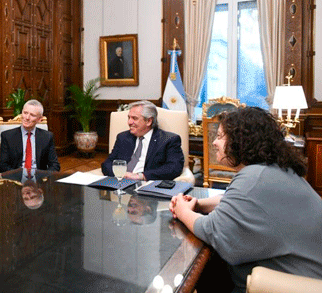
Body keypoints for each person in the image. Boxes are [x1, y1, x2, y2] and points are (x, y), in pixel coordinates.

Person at [169, 107, 322, 293]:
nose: (214, 142)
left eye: (220, 136)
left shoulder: (253, 178)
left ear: (240, 141)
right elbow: (242, 200)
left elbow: (213, 231)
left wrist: (182, 210)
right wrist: (199, 204)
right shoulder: (271, 170)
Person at [101, 100, 184, 181]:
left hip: (147, 185)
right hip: (120, 182)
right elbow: (107, 163)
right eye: (129, 117)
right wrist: (121, 175)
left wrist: (142, 176)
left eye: (134, 118)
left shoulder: (169, 140)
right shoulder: (123, 137)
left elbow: (174, 168)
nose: (129, 122)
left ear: (149, 121)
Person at [0, 99, 60, 172]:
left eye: (32, 115)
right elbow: (3, 166)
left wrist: (43, 178)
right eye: (25, 113)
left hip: (39, 179)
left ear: (39, 119)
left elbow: (55, 165)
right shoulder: (7, 136)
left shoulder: (47, 137)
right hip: (16, 179)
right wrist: (19, 178)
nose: (27, 117)